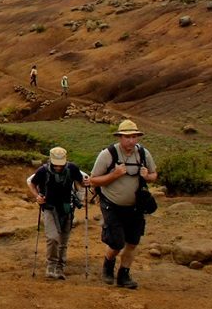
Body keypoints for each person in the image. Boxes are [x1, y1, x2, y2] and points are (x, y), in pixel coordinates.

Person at [87, 119, 158, 290]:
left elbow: (154, 175)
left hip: (135, 207)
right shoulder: (108, 154)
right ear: (120, 137)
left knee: (132, 242)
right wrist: (114, 175)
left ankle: (124, 274)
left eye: (134, 137)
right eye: (127, 137)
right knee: (116, 243)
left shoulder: (143, 154)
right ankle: (108, 264)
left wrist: (147, 176)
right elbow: (93, 180)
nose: (131, 141)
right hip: (112, 205)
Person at [27, 147, 87, 279]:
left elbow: (82, 182)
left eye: (61, 165)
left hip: (67, 208)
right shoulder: (43, 171)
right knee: (53, 238)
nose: (58, 167)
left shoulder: (72, 169)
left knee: (63, 241)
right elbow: (32, 183)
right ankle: (51, 266)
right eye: (56, 165)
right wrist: (37, 196)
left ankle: (60, 268)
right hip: (49, 208)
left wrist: (85, 185)